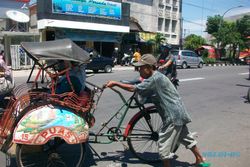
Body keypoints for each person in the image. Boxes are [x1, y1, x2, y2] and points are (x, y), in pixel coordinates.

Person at [104, 54, 210, 167]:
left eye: (140, 67)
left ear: (148, 68)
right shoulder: (158, 76)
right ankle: (201, 160)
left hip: (172, 116)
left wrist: (115, 83)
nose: (139, 70)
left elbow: (133, 88)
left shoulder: (155, 79)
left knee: (163, 144)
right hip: (178, 113)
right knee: (186, 138)